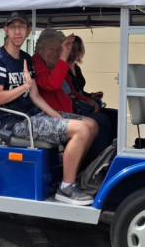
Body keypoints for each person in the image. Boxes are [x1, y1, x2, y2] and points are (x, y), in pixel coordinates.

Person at [0, 12, 97, 205]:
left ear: (28, 31)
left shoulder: (25, 59)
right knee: (81, 129)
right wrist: (23, 87)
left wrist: (57, 117)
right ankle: (66, 188)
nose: (17, 32)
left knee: (91, 124)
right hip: (16, 122)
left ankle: (70, 176)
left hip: (35, 116)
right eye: (13, 27)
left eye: (22, 27)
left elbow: (35, 95)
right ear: (6, 30)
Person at [32, 29, 111, 165]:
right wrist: (63, 58)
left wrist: (87, 99)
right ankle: (91, 166)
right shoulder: (36, 65)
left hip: (65, 109)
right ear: (40, 49)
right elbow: (52, 84)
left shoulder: (53, 65)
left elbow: (70, 90)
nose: (55, 53)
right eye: (51, 49)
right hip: (49, 113)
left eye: (59, 50)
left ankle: (91, 165)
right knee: (100, 121)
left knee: (108, 116)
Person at [66, 36, 118, 135]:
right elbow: (71, 92)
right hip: (75, 106)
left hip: (84, 102)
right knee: (104, 118)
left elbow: (80, 90)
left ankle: (114, 143)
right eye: (73, 49)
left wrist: (91, 95)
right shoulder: (62, 68)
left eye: (78, 49)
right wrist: (88, 99)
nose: (76, 52)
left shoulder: (76, 68)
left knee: (115, 114)